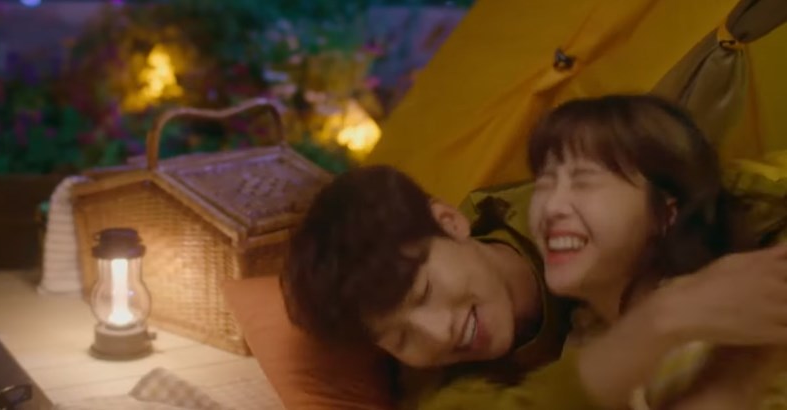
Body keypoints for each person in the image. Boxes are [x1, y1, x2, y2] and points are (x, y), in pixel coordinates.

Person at [282, 165, 787, 407]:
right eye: (400, 338)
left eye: (424, 292)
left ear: (449, 223)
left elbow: (751, 209)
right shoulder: (439, 388)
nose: (437, 334)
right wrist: (661, 323)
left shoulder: (575, 205)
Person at [525, 96, 787, 408]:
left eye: (584, 182)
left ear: (665, 213)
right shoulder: (582, 334)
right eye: (544, 184)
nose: (551, 207)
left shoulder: (708, 334)